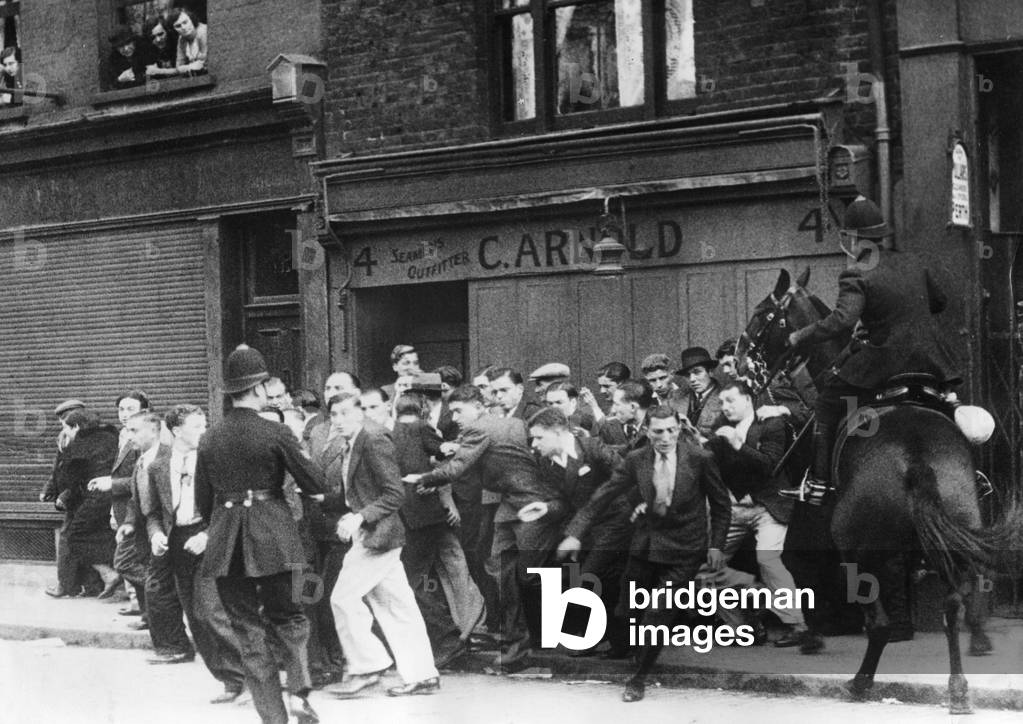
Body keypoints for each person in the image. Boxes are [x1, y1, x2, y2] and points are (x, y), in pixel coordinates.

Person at [784, 195, 961, 505]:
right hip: (932, 361)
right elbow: (941, 302)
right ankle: (976, 476)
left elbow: (843, 321)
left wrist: (800, 336)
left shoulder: (856, 272)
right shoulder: (913, 260)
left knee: (827, 405)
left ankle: (819, 485)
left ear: (851, 238)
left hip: (884, 364)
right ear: (881, 234)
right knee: (952, 407)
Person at [557, 406, 731, 702]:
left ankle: (638, 679)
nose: (665, 437)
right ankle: (636, 648)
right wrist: (575, 533)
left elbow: (721, 504)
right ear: (647, 432)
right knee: (628, 608)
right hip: (645, 545)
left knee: (658, 612)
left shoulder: (700, 458)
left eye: (671, 430)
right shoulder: (637, 459)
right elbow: (603, 495)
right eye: (658, 431)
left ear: (679, 429)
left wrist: (716, 545)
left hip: (685, 548)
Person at [194, 344, 326, 724]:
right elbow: (314, 481)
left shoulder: (209, 437)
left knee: (246, 630)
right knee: (292, 616)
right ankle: (299, 693)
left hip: (226, 544)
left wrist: (222, 527)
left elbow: (204, 502)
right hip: (277, 541)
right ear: (258, 389)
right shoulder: (277, 430)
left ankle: (272, 717)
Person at [407, 385, 569, 673]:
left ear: (479, 406)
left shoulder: (478, 429)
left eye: (459, 410)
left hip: (531, 507)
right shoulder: (512, 423)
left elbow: (456, 469)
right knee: (504, 571)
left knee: (518, 576)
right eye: (452, 410)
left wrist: (425, 478)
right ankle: (520, 647)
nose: (454, 417)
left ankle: (531, 642)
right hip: (515, 504)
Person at [320, 392, 441, 697]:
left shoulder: (373, 439)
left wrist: (359, 518)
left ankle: (368, 666)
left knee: (342, 599)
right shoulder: (352, 442)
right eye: (334, 415)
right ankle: (423, 674)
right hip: (377, 535)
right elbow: (359, 491)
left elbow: (394, 494)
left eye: (346, 413)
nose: (339, 420)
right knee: (399, 607)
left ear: (360, 412)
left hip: (378, 537)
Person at [142, 405, 247, 701]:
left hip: (208, 538)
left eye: (205, 425)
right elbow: (152, 513)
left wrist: (207, 535)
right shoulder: (158, 467)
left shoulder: (214, 462)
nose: (205, 431)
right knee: (195, 617)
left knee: (211, 612)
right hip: (177, 544)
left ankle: (252, 676)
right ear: (177, 431)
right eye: (197, 427)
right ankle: (230, 680)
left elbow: (229, 505)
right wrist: (156, 535)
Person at [704, 382, 810, 649]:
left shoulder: (770, 424)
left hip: (768, 505)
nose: (725, 407)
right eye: (722, 403)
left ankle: (798, 626)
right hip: (734, 508)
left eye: (730, 401)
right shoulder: (721, 429)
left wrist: (739, 444)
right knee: (705, 569)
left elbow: (770, 465)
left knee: (768, 558)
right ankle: (744, 628)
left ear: (748, 399)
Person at [59, 409, 123, 599]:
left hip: (95, 496)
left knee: (74, 535)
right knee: (103, 535)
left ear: (76, 426)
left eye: (66, 429)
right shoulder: (111, 436)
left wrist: (64, 495)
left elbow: (71, 479)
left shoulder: (80, 444)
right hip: (115, 494)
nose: (66, 433)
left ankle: (109, 573)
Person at [42, 399, 90, 598]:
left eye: (67, 419)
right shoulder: (64, 437)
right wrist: (49, 488)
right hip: (72, 501)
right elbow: (58, 468)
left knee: (68, 542)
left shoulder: (88, 440)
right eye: (62, 419)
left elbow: (84, 474)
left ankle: (66, 586)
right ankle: (84, 585)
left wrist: (66, 495)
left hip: (83, 499)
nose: (63, 423)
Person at [675, 347, 724, 440]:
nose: (692, 379)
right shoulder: (675, 397)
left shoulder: (726, 399)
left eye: (697, 372)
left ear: (710, 372)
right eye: (687, 375)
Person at [173, 9, 208, 75]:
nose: (183, 27)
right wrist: (190, 67)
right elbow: (178, 66)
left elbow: (205, 62)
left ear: (191, 19)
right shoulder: (182, 39)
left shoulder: (203, 31)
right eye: (178, 26)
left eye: (185, 22)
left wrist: (185, 67)